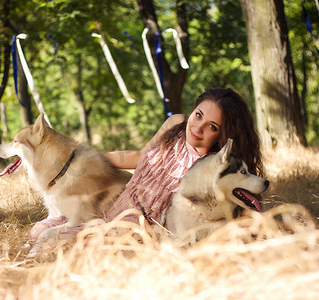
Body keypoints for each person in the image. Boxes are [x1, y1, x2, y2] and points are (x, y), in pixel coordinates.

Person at [27, 87, 264, 246]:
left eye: (212, 127)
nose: (198, 128)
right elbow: (141, 156)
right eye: (198, 114)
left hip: (142, 232)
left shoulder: (210, 169)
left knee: (57, 242)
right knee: (39, 231)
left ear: (223, 136)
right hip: (114, 210)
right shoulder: (176, 124)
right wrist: (87, 157)